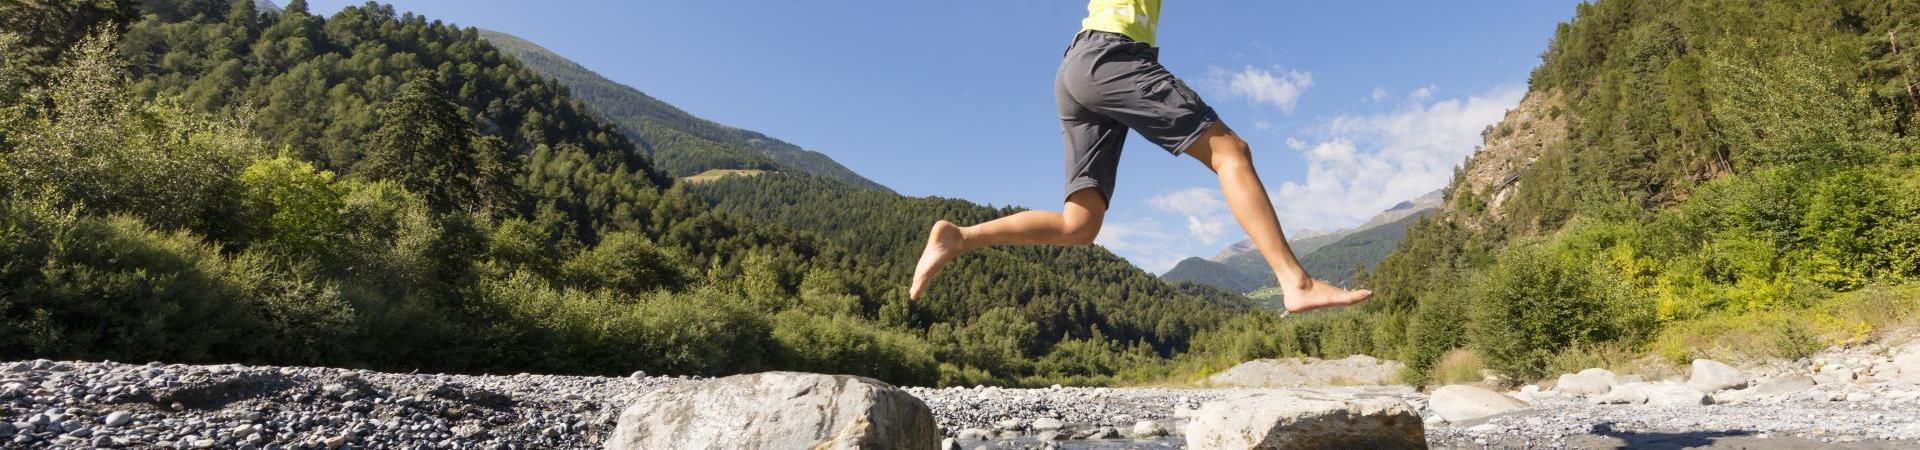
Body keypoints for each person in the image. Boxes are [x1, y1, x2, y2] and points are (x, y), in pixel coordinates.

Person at [908, 0, 1371, 313]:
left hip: (1076, 67)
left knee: (1079, 225)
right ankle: (1296, 282)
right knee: (1232, 151)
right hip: (1112, 56)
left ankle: (960, 237)